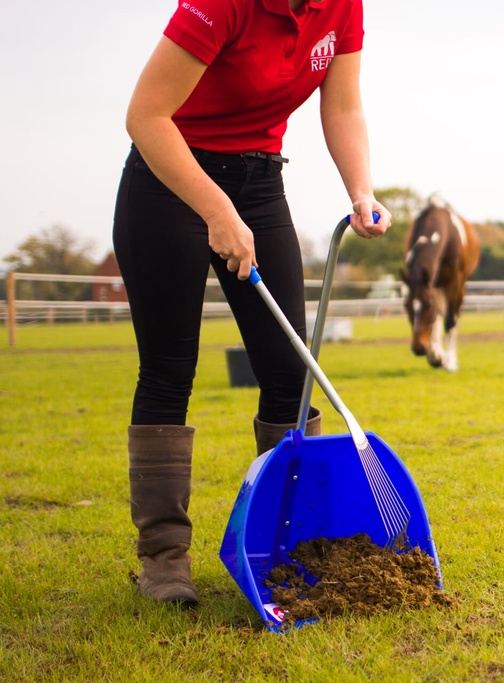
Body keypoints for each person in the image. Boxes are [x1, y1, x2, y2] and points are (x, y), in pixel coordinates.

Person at [112, 0, 391, 607]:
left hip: (261, 181)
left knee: (291, 373)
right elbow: (145, 115)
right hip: (170, 180)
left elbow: (342, 104)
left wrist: (361, 189)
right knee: (168, 369)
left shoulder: (342, 6)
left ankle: (291, 540)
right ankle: (164, 560)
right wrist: (215, 211)